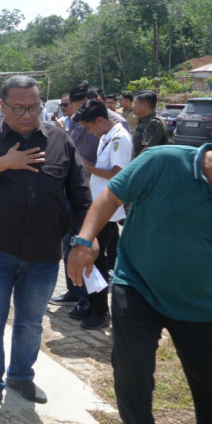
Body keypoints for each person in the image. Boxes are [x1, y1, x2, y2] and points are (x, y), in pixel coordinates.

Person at [68, 127, 212, 424]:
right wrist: (84, 240)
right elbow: (112, 194)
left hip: (205, 304)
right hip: (138, 287)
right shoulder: (162, 162)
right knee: (131, 375)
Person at [0, 75, 92, 412]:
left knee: (30, 322)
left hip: (43, 254)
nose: (27, 115)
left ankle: (21, 375)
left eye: (34, 107)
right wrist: (2, 163)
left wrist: (87, 237)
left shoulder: (60, 141)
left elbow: (81, 196)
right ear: (2, 105)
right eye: (18, 108)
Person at [71, 99, 131, 330]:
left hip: (106, 209)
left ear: (99, 120)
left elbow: (119, 176)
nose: (90, 133)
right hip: (97, 206)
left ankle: (100, 310)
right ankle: (93, 302)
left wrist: (88, 167)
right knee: (95, 257)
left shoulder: (119, 138)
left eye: (89, 128)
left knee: (95, 258)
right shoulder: (107, 136)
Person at [130, 90, 168, 158]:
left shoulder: (154, 122)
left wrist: (134, 166)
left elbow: (146, 152)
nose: (133, 106)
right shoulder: (144, 120)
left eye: (135, 103)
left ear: (145, 105)